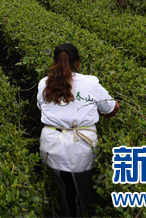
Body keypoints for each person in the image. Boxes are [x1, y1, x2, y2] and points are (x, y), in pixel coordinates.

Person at [37, 43, 119, 217]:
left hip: (51, 147)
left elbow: (43, 107)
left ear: (54, 63)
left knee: (65, 192)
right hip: (81, 148)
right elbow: (112, 108)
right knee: (86, 192)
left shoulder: (44, 83)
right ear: (78, 63)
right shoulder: (91, 82)